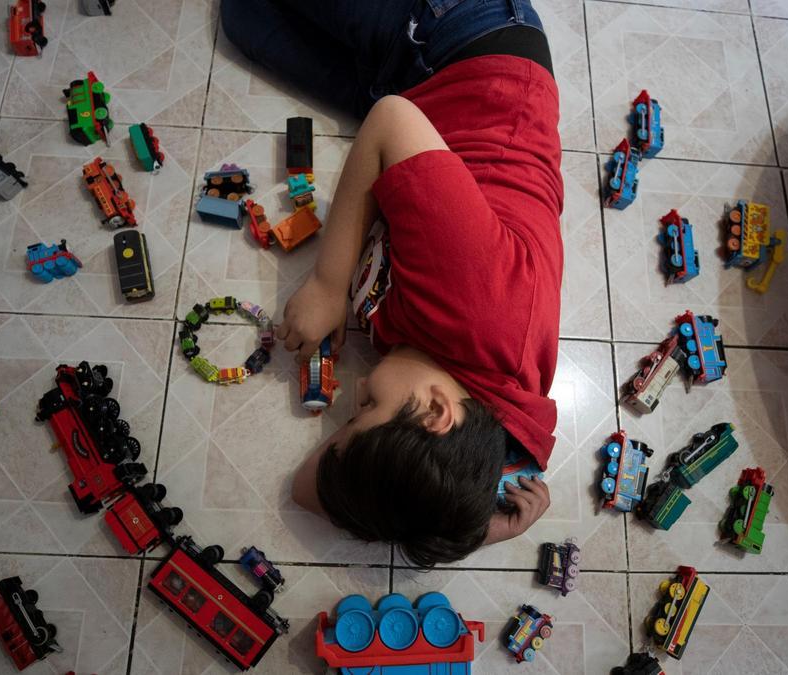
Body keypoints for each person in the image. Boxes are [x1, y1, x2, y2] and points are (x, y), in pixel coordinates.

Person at [221, 0, 562, 567]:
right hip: (463, 39)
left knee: (243, 21)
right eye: (365, 410)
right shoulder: (483, 308)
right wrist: (329, 284)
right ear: (434, 411)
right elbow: (392, 120)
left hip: (417, 98)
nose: (354, 395)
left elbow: (310, 493)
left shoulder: (460, 437)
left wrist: (471, 532)